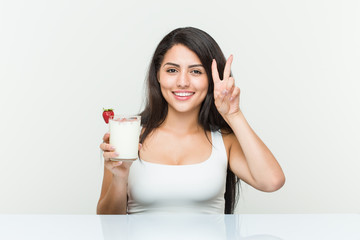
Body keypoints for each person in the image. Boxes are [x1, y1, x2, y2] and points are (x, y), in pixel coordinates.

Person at [97, 27, 285, 215]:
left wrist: (234, 115)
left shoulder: (224, 140)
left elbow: (271, 181)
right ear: (158, 75)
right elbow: (107, 223)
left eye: (195, 72)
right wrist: (119, 178)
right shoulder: (128, 136)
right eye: (172, 70)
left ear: (211, 80)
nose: (183, 82)